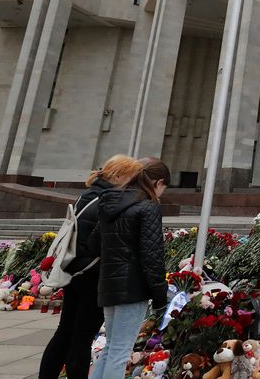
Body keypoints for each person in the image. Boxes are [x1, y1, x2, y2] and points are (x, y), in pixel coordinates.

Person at [38, 155, 143, 379]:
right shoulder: (109, 200)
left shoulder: (88, 195)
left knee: (65, 332)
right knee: (83, 337)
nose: (135, 184)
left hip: (74, 270)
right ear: (118, 176)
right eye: (132, 178)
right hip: (93, 275)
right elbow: (101, 241)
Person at [87, 157, 170, 379]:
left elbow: (94, 244)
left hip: (109, 285)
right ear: (158, 182)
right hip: (132, 288)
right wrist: (161, 295)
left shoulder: (110, 202)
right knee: (120, 352)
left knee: (111, 347)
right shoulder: (148, 206)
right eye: (164, 187)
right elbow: (152, 256)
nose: (162, 192)